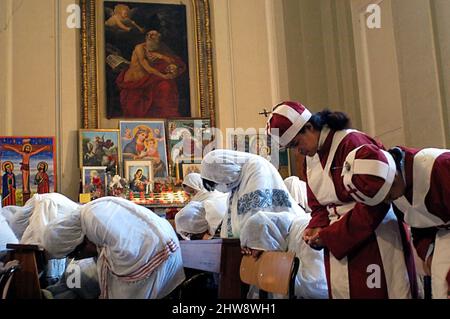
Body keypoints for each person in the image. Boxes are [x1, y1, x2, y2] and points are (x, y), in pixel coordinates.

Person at [266, 101, 416, 298]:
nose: (297, 152)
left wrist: (331, 235)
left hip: (374, 236)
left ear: (309, 127)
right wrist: (316, 226)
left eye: (296, 144)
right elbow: (317, 205)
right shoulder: (311, 158)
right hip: (339, 240)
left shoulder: (351, 142)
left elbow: (376, 202)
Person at [340, 143, 450, 299]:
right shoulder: (398, 191)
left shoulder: (439, 166)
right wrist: (428, 253)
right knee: (441, 288)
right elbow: (419, 226)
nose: (392, 200)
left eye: (389, 195)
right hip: (444, 235)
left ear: (394, 175)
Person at [41, 196, 185, 299]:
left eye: (75, 255)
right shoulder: (91, 211)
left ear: (79, 243)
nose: (78, 258)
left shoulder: (94, 220)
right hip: (166, 244)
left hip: (156, 253)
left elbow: (131, 253)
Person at [200, 150, 305, 238]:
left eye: (216, 183)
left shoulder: (256, 167)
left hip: (284, 236)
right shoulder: (236, 181)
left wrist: (248, 240)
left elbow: (258, 216)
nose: (219, 188)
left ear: (221, 171)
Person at [240, 211, 328, 299]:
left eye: (257, 245)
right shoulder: (282, 231)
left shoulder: (304, 234)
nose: (254, 254)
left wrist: (278, 273)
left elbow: (316, 285)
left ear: (267, 234)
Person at [116, 30, 186, 118]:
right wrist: (163, 76)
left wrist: (162, 57)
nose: (149, 37)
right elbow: (148, 68)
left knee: (166, 86)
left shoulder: (160, 48)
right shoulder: (139, 48)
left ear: (158, 38)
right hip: (134, 81)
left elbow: (172, 60)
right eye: (148, 35)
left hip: (146, 80)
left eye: (153, 35)